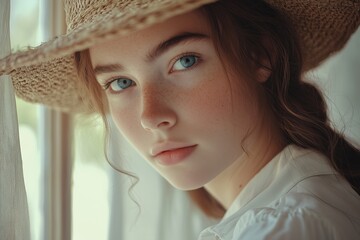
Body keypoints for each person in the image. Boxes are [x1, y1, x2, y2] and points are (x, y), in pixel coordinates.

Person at [1, 0, 359, 239]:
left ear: (258, 55)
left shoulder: (290, 227)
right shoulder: (294, 203)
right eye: (120, 83)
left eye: (184, 61)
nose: (150, 116)